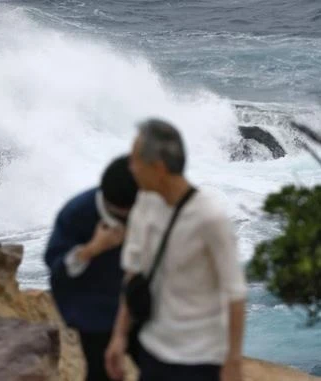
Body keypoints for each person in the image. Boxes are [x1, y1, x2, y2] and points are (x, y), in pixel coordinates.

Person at [105, 119, 247, 381]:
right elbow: (132, 275)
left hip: (202, 360)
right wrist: (119, 335)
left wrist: (234, 361)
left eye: (136, 160)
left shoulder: (209, 218)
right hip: (154, 352)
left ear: (158, 168)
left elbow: (235, 293)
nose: (131, 168)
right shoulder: (143, 206)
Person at [45, 155, 139, 381]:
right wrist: (93, 248)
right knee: (102, 370)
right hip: (92, 308)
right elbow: (57, 269)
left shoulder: (150, 205)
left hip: (139, 303)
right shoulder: (77, 213)